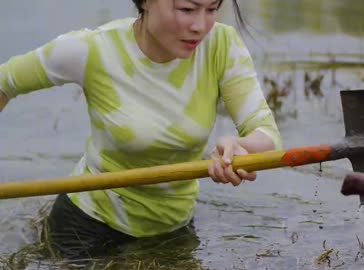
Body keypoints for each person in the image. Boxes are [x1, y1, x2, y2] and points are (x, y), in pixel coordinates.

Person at [0, 0, 282, 259]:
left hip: (173, 231)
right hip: (84, 230)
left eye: (212, 9)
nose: (200, 26)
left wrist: (241, 147)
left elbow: (266, 133)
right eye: (186, 9)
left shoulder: (221, 44)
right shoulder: (92, 49)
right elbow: (5, 82)